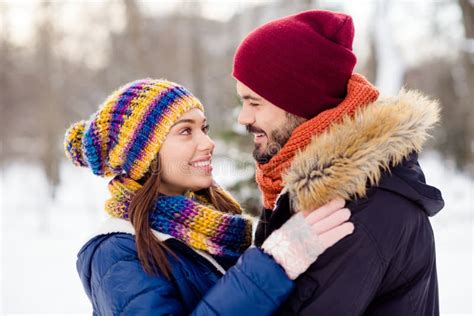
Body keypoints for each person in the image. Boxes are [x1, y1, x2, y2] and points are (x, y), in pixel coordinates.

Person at [65, 79, 354, 315]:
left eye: (204, 128)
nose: (208, 142)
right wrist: (270, 268)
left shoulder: (217, 224)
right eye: (185, 131)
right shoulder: (116, 250)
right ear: (143, 156)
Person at [232, 9, 445, 315]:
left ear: (301, 103)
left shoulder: (355, 211)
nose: (243, 118)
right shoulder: (316, 190)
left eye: (254, 102)